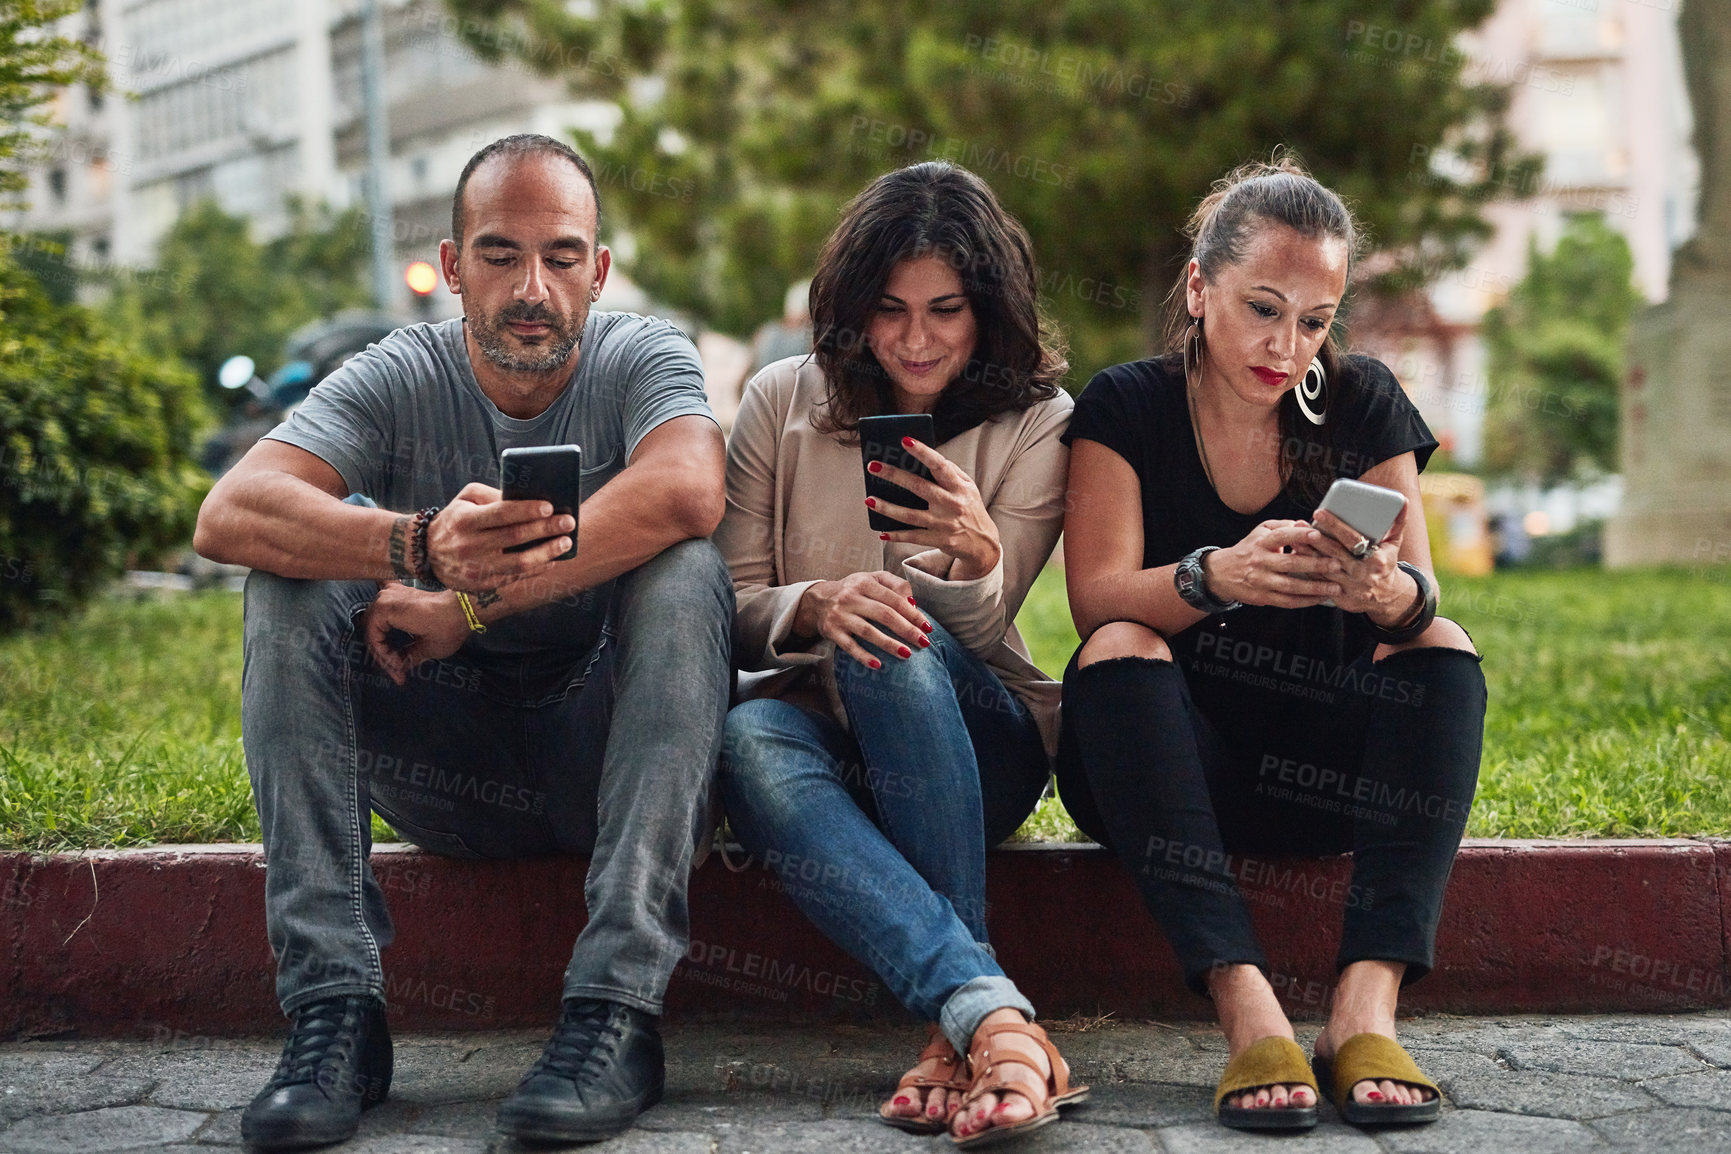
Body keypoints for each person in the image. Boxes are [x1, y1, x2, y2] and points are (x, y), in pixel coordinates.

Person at [193, 134, 732, 1148]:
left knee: (685, 563)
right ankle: (333, 1013)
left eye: (562, 256)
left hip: (600, 756)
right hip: (447, 768)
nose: (533, 286)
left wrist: (469, 602)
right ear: (451, 267)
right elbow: (228, 511)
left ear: (599, 271)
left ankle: (616, 1011)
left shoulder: (643, 355)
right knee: (292, 571)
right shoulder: (398, 371)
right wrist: (412, 541)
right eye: (499, 253)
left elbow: (690, 487)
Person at [1055, 157, 1486, 1132]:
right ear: (1201, 289)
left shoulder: (1362, 401)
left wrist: (1386, 591)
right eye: (1263, 307)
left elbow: (1423, 594)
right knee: (1121, 637)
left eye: (1314, 319)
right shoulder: (1126, 404)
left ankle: (1364, 1007)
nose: (1286, 345)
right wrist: (1217, 576)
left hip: (1321, 771)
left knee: (1443, 641)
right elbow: (1095, 599)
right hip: (1160, 765)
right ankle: (1246, 1008)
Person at [714, 161, 1085, 1146]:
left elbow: (985, 628)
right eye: (889, 310)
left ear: (987, 311)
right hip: (824, 739)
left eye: (947, 311)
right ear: (849, 310)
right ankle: (983, 1015)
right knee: (748, 732)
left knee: (894, 635)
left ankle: (954, 1018)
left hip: (977, 741)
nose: (917, 339)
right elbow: (736, 606)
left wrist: (973, 557)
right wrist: (818, 603)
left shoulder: (1041, 422)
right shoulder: (777, 403)